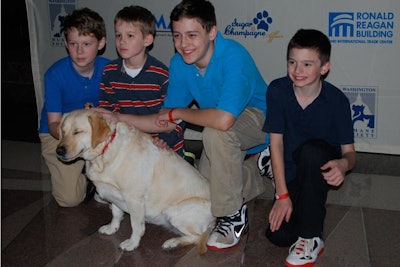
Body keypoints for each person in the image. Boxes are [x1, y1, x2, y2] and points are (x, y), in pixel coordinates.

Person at [156, 0, 269, 251]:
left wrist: (177, 113)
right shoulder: (179, 63)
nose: (184, 44)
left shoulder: (233, 56)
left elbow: (223, 120)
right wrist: (127, 126)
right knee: (207, 191)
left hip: (261, 120)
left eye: (192, 35)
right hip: (223, 126)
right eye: (177, 36)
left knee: (216, 135)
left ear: (212, 32)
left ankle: (232, 216)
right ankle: (259, 170)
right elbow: (166, 116)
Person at [262, 29, 356, 267]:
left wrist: (343, 165)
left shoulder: (337, 101)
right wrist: (282, 195)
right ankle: (307, 211)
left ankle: (311, 237)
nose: (297, 70)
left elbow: (350, 153)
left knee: (311, 152)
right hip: (293, 171)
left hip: (319, 165)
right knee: (279, 236)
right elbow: (276, 143)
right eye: (292, 62)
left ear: (324, 67)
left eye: (307, 64)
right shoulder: (277, 90)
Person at [91, 5, 186, 157]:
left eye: (130, 36)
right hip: (128, 145)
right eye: (118, 35)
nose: (122, 41)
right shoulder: (109, 72)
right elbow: (109, 112)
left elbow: (177, 120)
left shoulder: (161, 75)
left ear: (147, 39)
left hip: (162, 147)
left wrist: (165, 140)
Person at [39, 7, 109, 207]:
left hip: (95, 130)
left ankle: (94, 173)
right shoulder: (55, 74)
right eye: (73, 44)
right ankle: (86, 178)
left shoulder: (110, 69)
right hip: (57, 134)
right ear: (65, 44)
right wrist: (70, 141)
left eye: (87, 44)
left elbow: (117, 111)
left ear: (101, 43)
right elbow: (53, 123)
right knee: (69, 200)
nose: (80, 51)